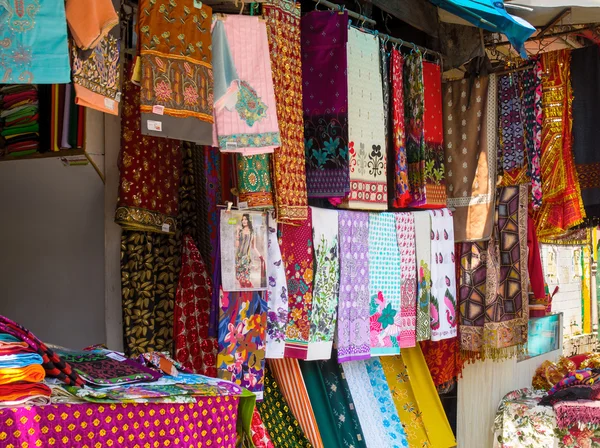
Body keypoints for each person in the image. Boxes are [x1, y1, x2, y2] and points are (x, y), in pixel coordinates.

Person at [235, 214, 264, 288]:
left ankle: (249, 296)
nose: (244, 221)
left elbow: (254, 247)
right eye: (243, 219)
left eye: (245, 219)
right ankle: (242, 296)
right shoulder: (240, 231)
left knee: (246, 279)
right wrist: (238, 232)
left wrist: (260, 257)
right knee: (240, 279)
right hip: (238, 258)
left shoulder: (252, 232)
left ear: (249, 220)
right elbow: (237, 245)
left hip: (246, 258)